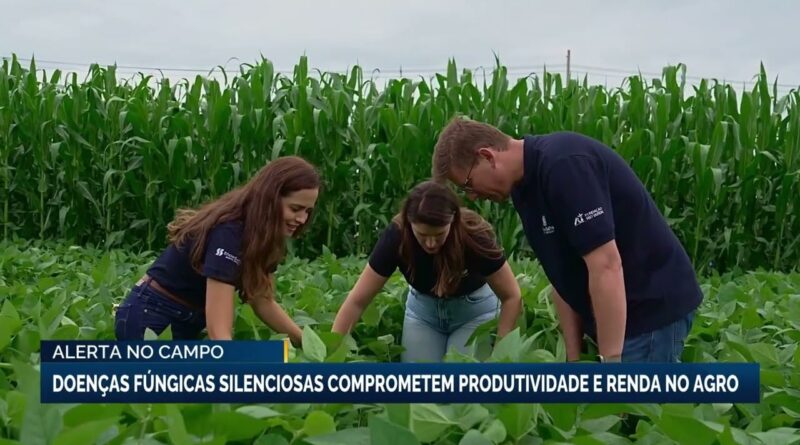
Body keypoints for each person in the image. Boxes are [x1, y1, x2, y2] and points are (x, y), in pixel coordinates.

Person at [432, 117, 703, 363]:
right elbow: (561, 274)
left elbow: (605, 265)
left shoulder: (564, 165)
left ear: (488, 157)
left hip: (650, 310)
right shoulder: (524, 189)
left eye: (467, 184)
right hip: (617, 316)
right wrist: (572, 358)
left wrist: (610, 362)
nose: (472, 196)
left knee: (637, 413)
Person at [114, 156, 320, 345]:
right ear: (270, 199)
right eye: (295, 209)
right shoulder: (229, 232)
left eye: (307, 211)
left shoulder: (260, 235)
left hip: (186, 320)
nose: (302, 219)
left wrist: (306, 343)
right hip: (150, 315)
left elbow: (261, 299)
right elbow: (218, 332)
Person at [332, 180, 522, 362]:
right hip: (424, 315)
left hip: (474, 313)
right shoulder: (396, 237)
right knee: (418, 388)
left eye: (439, 235)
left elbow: (512, 296)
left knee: (464, 387)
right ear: (409, 223)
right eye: (422, 235)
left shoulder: (474, 236)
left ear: (453, 221)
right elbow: (357, 301)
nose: (431, 243)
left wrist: (499, 357)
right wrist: (330, 357)